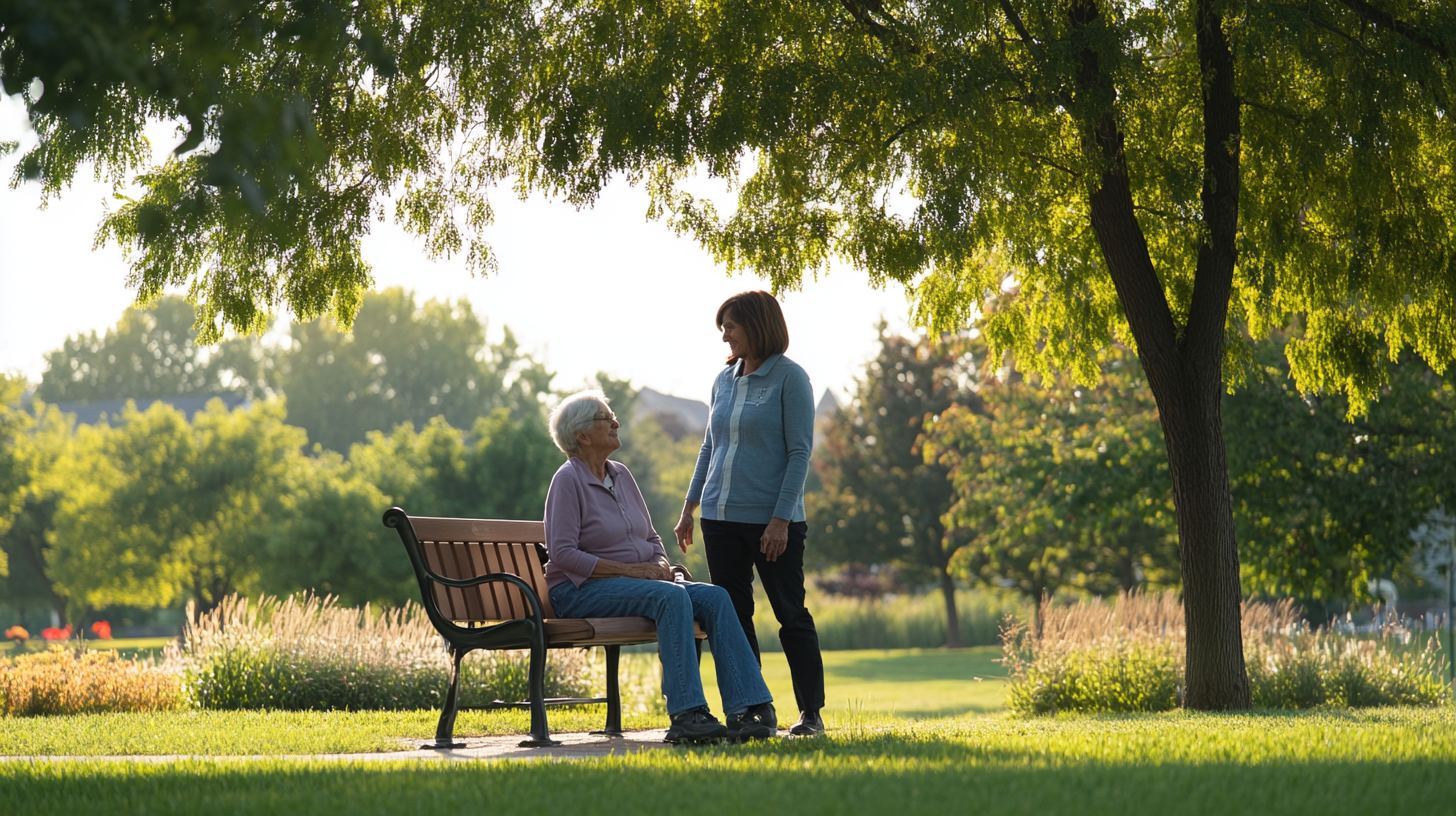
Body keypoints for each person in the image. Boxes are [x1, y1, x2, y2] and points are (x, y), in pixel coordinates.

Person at [543, 389, 777, 743]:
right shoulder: (567, 480)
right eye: (607, 419)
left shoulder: (621, 474)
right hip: (579, 592)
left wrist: (662, 565)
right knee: (669, 598)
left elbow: (652, 539)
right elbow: (562, 554)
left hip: (637, 586)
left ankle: (749, 709)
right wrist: (634, 572)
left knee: (715, 597)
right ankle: (687, 713)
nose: (616, 423)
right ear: (583, 435)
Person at [674, 291, 826, 737]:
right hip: (720, 519)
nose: (725, 335)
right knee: (735, 618)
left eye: (731, 326)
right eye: (723, 327)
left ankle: (811, 713)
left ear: (757, 326)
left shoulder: (791, 378)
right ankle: (752, 710)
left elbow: (800, 453)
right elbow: (709, 447)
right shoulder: (723, 380)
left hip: (773, 523)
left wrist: (780, 519)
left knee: (790, 614)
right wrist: (689, 507)